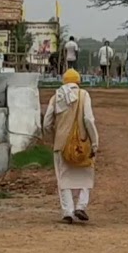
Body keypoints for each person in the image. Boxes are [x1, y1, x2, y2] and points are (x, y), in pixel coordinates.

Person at [42, 69, 100, 223]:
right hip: (82, 143)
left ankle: (67, 212)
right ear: (78, 82)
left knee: (63, 179)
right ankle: (81, 206)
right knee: (86, 175)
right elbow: (88, 120)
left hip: (61, 144)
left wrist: (54, 137)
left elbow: (47, 123)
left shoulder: (56, 97)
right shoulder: (83, 95)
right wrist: (94, 142)